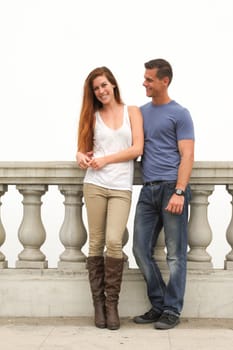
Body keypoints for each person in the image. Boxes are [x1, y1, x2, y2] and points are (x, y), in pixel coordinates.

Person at [76, 66, 144, 330]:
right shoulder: (91, 115)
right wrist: (81, 157)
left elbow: (137, 148)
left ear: (113, 84)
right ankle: (99, 306)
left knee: (114, 242)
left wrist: (105, 159)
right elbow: (82, 150)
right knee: (95, 243)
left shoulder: (133, 112)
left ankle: (112, 303)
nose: (101, 91)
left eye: (104, 85)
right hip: (94, 184)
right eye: (96, 88)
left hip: (120, 187)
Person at [133, 59, 195, 330]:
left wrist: (179, 191)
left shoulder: (180, 113)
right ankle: (158, 304)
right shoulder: (141, 113)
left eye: (149, 79)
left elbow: (188, 154)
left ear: (164, 81)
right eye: (145, 78)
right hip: (148, 191)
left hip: (172, 187)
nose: (144, 83)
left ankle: (172, 310)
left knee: (175, 254)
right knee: (139, 249)